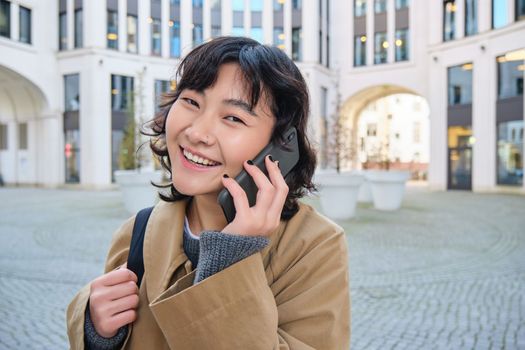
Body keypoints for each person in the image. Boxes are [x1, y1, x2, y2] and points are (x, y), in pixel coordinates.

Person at [67, 36, 350, 349]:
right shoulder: (137, 231)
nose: (197, 133)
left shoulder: (313, 247)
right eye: (191, 102)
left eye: (233, 118)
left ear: (280, 146)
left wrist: (231, 258)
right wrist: (99, 333)